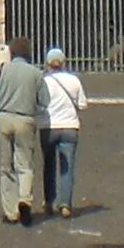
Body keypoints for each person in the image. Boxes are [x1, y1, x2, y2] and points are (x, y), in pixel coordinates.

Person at [0, 42, 46, 224]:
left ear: (11, 53)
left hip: (3, 118)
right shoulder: (36, 73)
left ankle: (11, 212)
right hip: (25, 119)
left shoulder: (3, 69)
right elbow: (45, 100)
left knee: (6, 167)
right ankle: (24, 199)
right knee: (25, 164)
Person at [38, 46, 88, 215]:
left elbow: (38, 105)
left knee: (49, 165)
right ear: (64, 62)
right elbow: (82, 104)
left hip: (48, 127)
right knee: (67, 167)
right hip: (70, 126)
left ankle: (48, 201)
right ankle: (65, 204)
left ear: (47, 63)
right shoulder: (74, 80)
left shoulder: (42, 81)